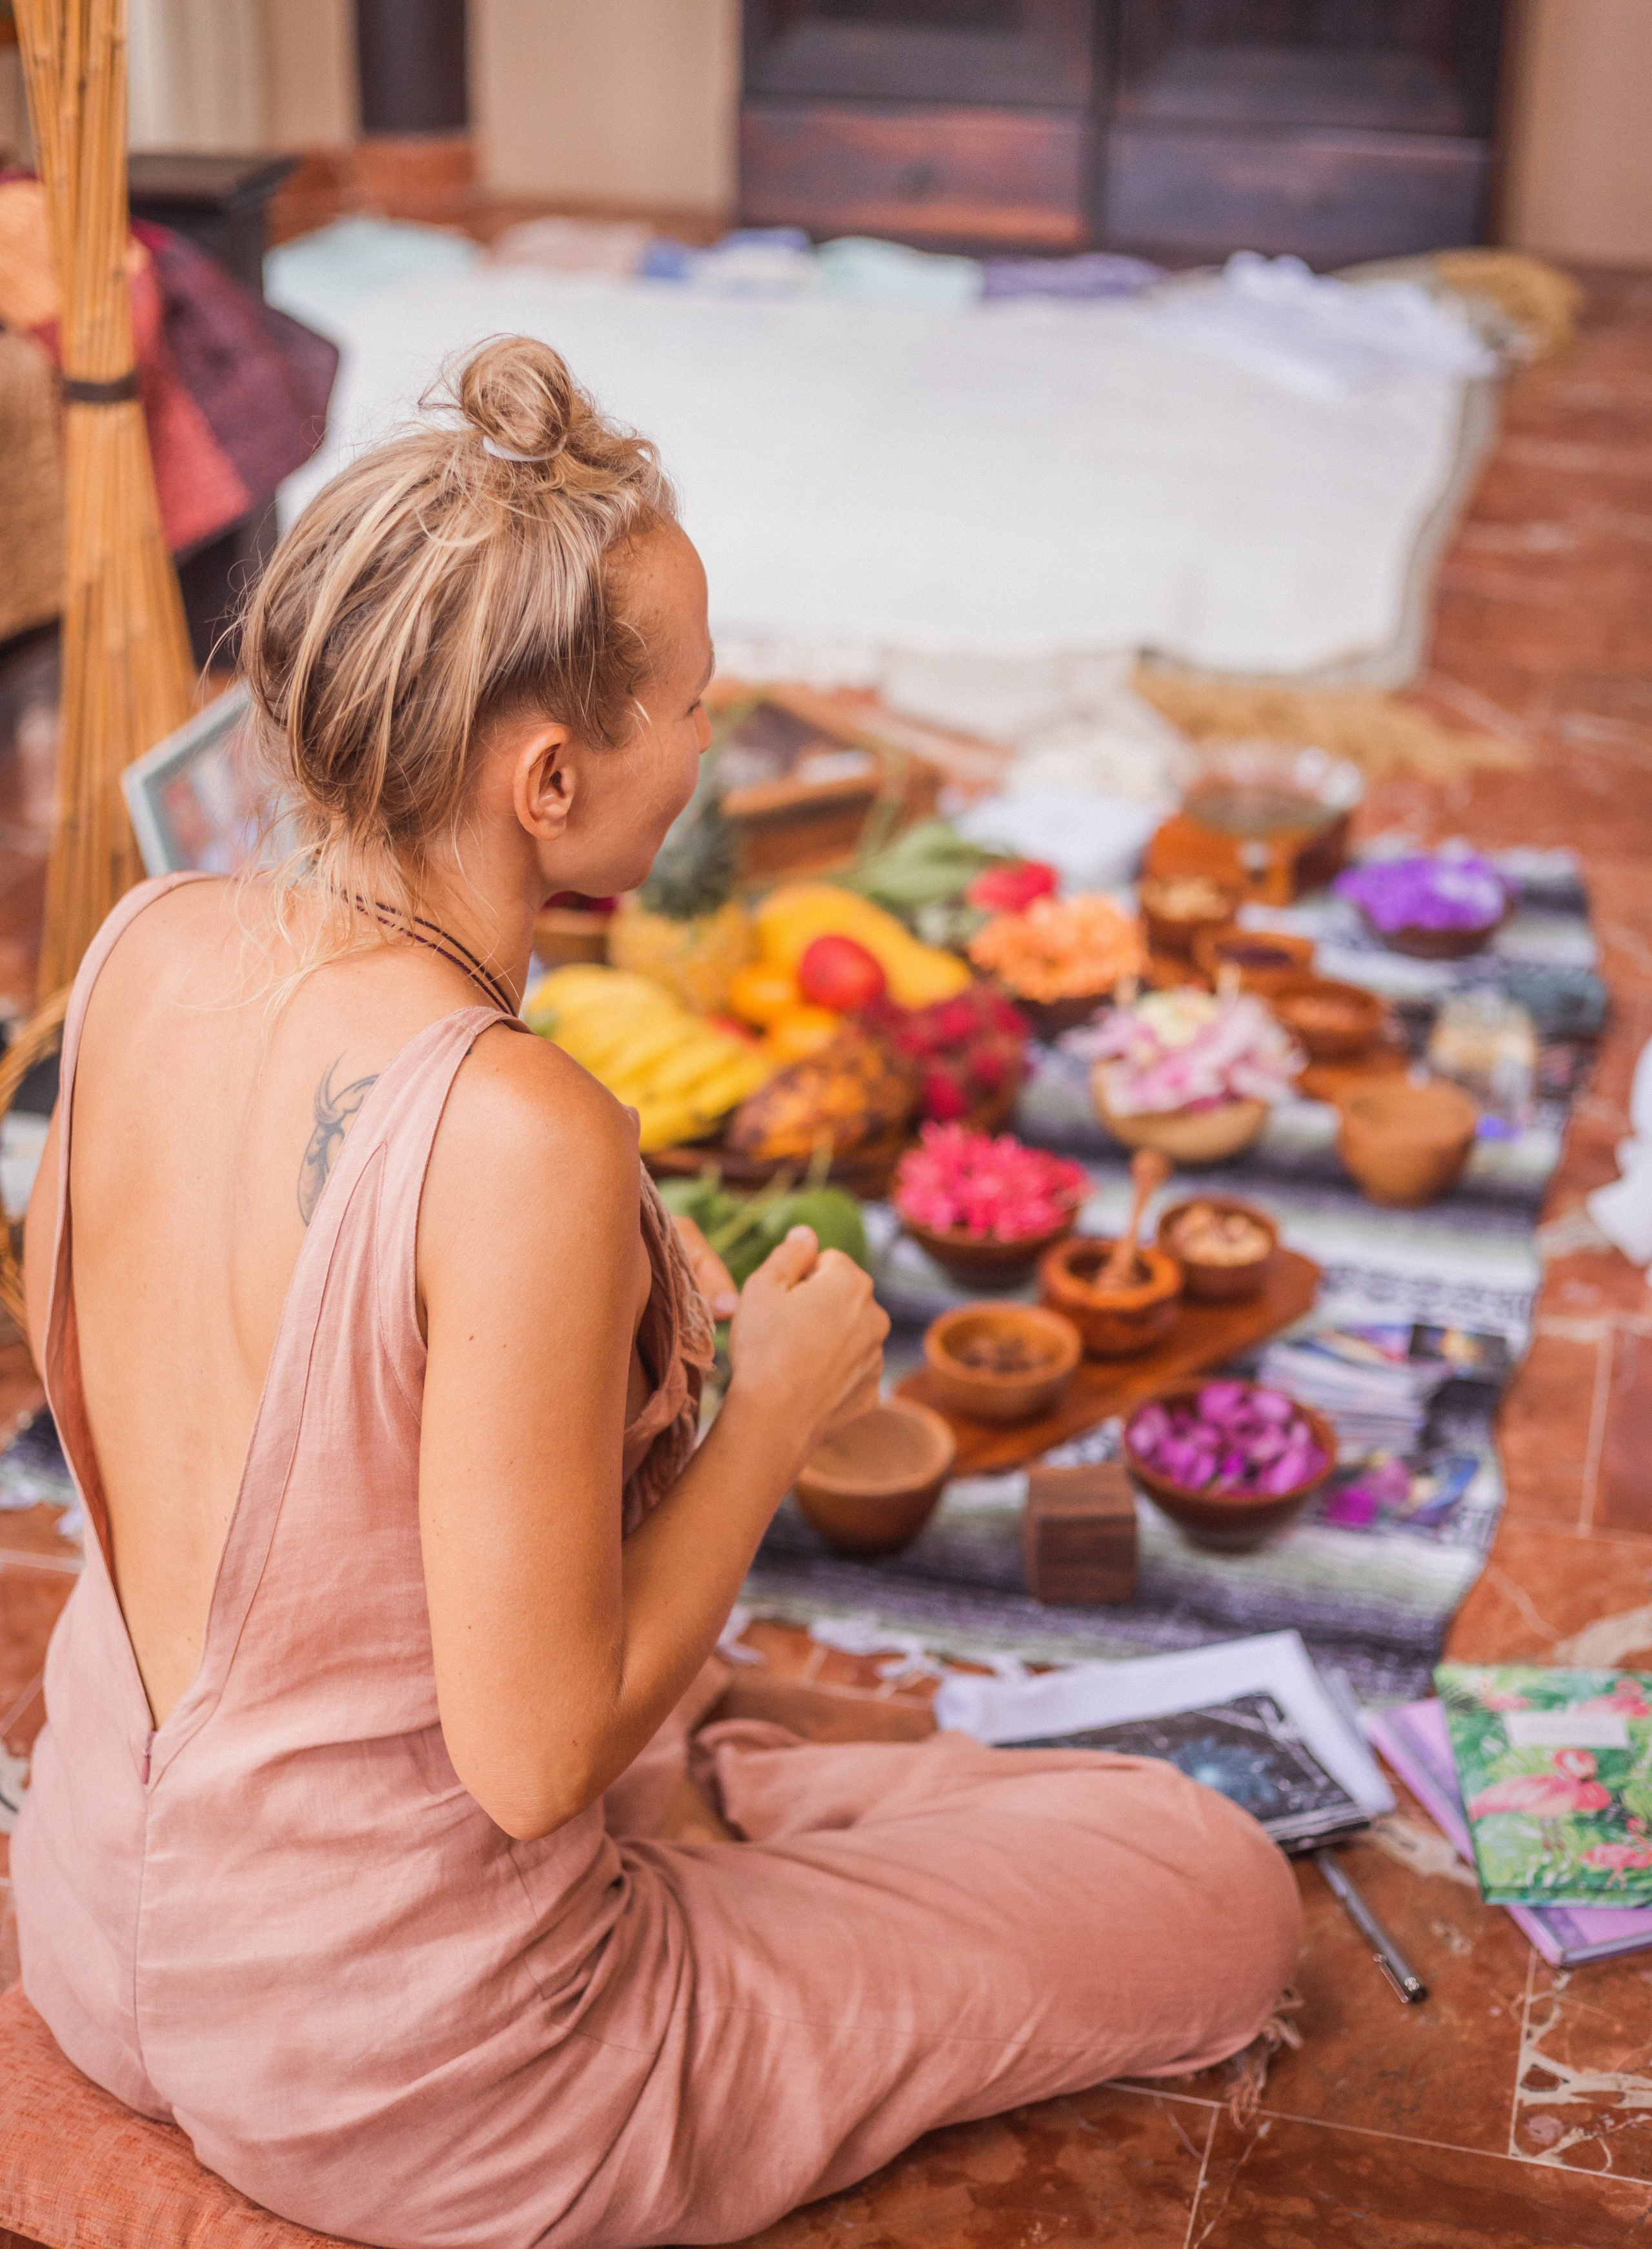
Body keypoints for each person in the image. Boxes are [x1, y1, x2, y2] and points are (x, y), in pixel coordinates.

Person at [12, 336, 1300, 2248]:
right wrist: (773, 1395)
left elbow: (228, 1372)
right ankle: (755, 1800)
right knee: (1210, 1883)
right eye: (692, 704)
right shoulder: (517, 1133)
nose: (710, 739)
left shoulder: (141, 947)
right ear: (549, 778)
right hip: (416, 2081)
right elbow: (532, 1765)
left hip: (92, 1932)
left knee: (637, 1666)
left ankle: (739, 1790)